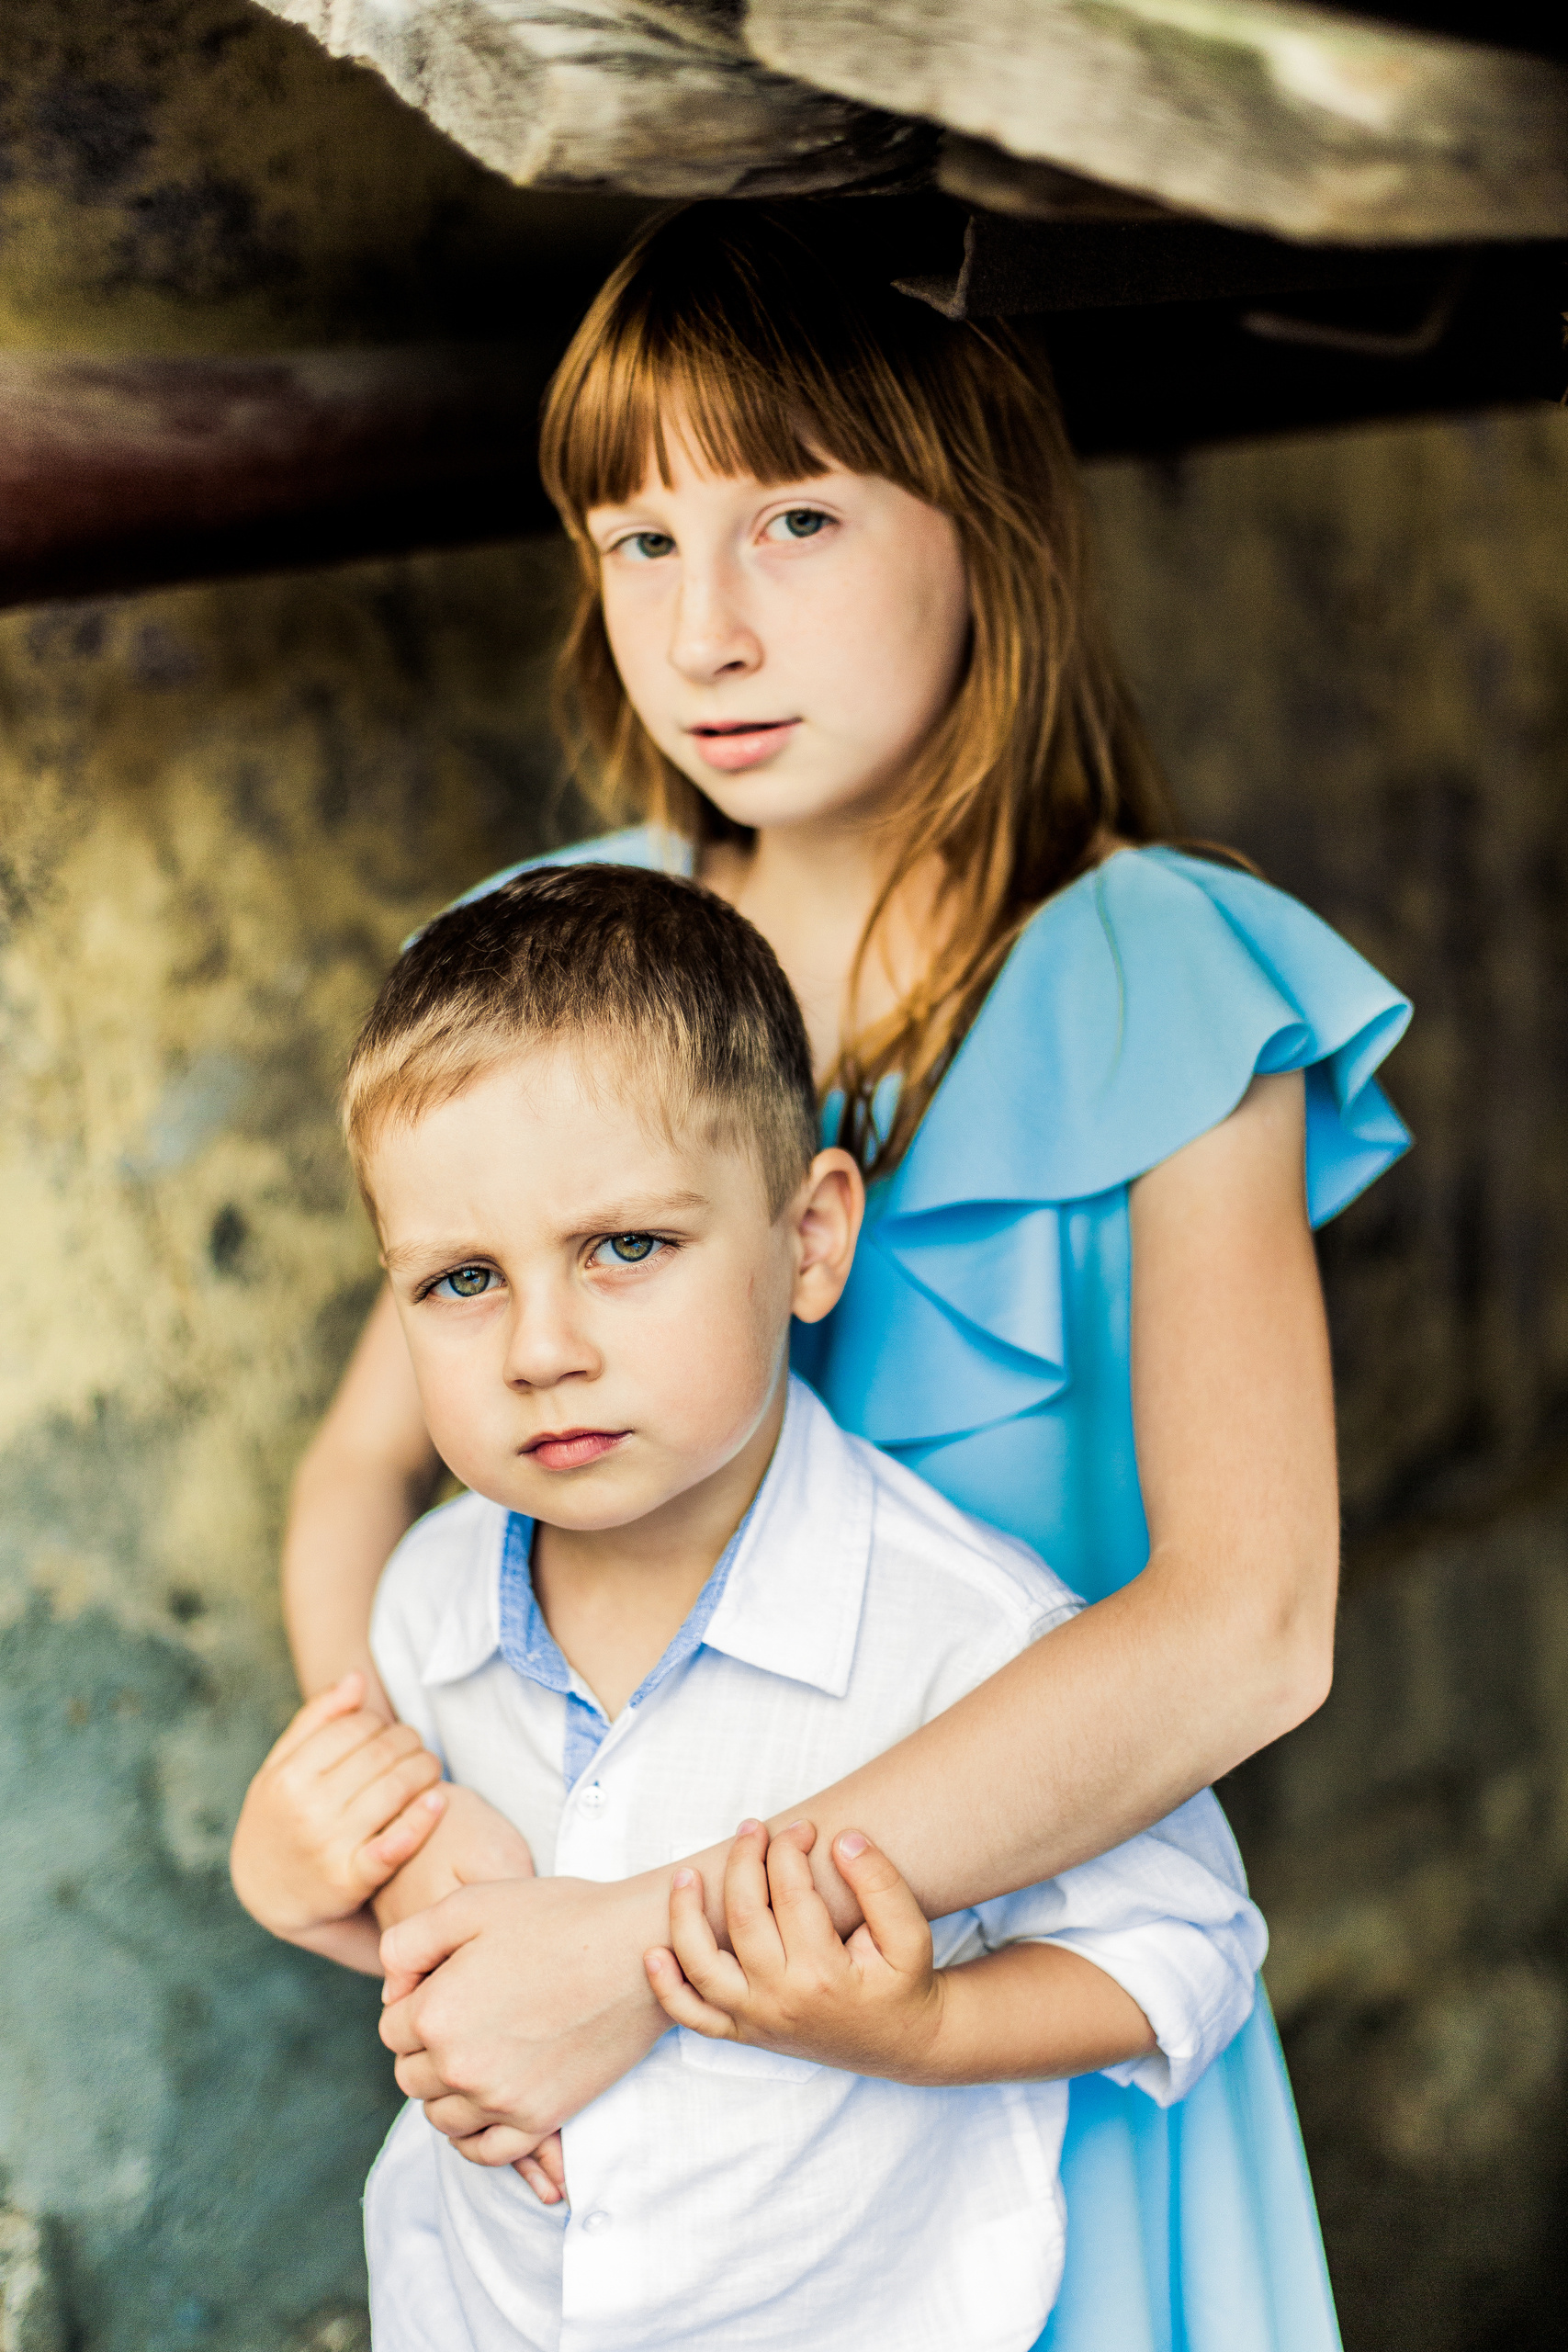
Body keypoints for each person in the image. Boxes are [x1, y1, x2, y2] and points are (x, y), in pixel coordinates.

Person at [234, 203, 1412, 2350]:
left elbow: (1247, 1627)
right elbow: (356, 1481)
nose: (705, 631)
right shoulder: (567, 942)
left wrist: (639, 1938)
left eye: (791, 515)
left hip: (1009, 2028)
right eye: (639, 538)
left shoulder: (1157, 967)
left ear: (983, 527)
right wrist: (422, 1847)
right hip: (637, 2121)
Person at [247, 862, 1269, 2351]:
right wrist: (298, 1876)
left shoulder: (973, 1640)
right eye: (462, 1280)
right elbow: (448, 1953)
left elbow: (1189, 1942)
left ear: (811, 1240)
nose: (541, 1349)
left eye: (627, 1248)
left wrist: (923, 2028)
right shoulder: (420, 1607)